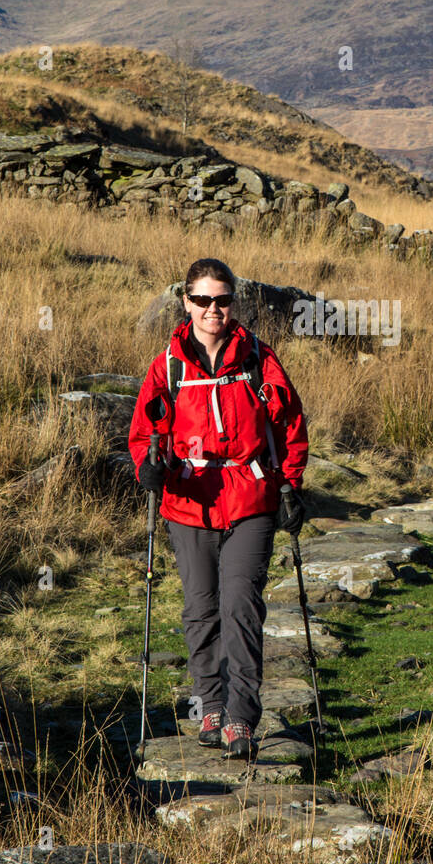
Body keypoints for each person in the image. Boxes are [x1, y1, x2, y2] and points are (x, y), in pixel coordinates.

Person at [128, 257, 308, 758]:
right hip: (188, 501)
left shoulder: (257, 358)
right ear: (185, 301)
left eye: (222, 300)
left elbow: (289, 426)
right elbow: (146, 429)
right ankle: (209, 703)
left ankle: (241, 718)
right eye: (203, 299)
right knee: (200, 609)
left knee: (241, 607)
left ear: (234, 302)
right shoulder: (168, 363)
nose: (213, 309)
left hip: (251, 497)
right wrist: (148, 465)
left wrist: (290, 487)